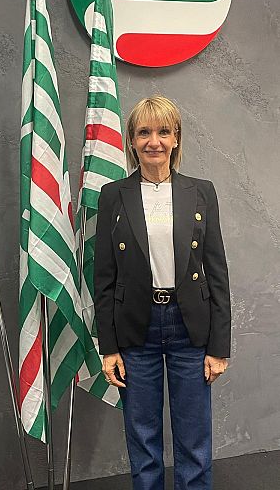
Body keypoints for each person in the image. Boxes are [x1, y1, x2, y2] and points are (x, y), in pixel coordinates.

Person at [94, 95, 231, 490]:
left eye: (163, 132)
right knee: (143, 442)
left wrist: (219, 346)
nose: (153, 141)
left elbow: (217, 272)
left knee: (194, 440)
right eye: (144, 132)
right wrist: (109, 347)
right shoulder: (113, 195)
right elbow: (103, 277)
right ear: (132, 141)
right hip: (136, 328)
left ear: (176, 139)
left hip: (190, 327)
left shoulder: (202, 192)